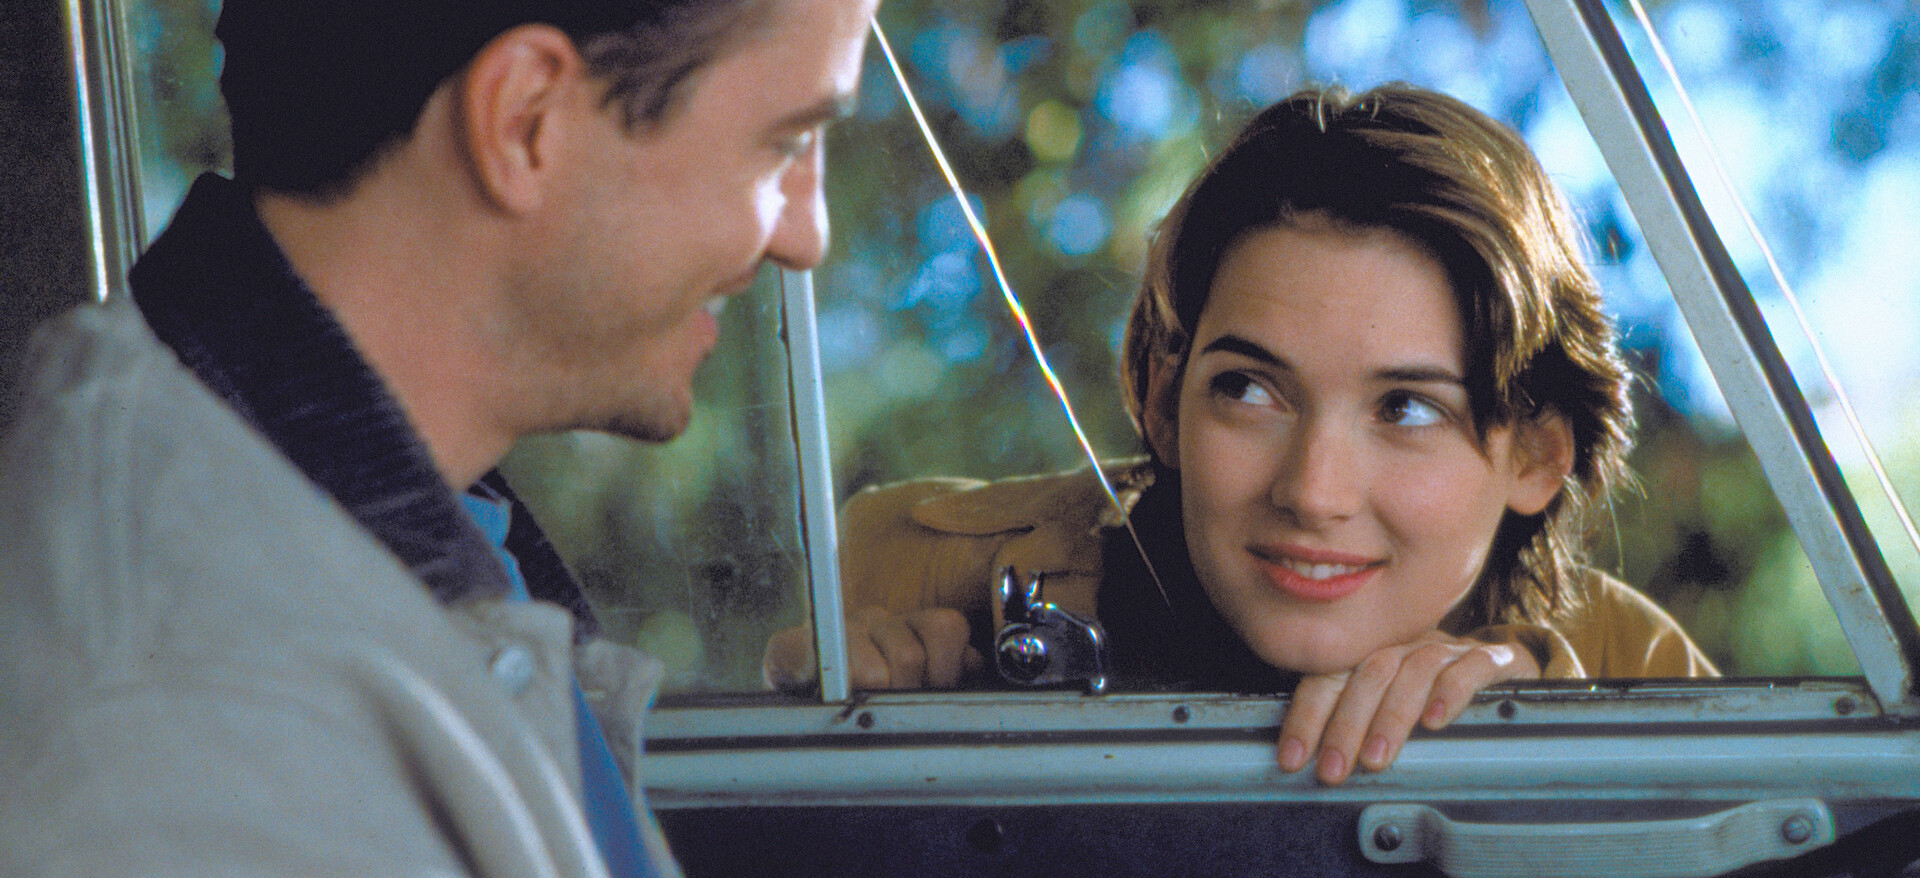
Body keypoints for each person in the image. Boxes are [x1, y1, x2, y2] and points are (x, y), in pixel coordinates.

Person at [0, 0, 876, 873]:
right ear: (525, 120)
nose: (808, 238)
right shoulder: (194, 723)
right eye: (785, 144)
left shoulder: (407, 526)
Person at [764, 83, 1716, 786]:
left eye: (1405, 409)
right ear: (1162, 397)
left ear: (1538, 455)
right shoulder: (912, 570)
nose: (1312, 491)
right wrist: (834, 749)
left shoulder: (1626, 661)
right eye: (1251, 390)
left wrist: (1537, 737)